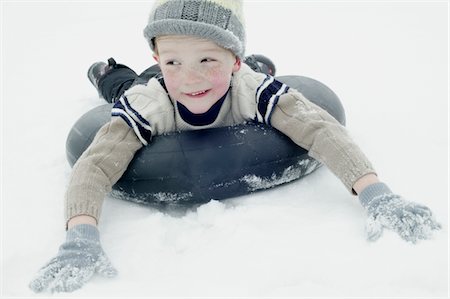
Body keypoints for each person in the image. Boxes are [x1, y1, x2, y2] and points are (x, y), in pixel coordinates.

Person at [29, 0, 441, 293]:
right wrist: (80, 235)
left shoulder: (250, 90)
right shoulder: (152, 101)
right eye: (172, 61)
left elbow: (318, 128)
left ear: (234, 61)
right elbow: (96, 163)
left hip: (244, 73)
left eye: (208, 60)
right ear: (158, 54)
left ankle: (253, 61)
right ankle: (108, 73)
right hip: (142, 87)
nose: (190, 79)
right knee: (126, 87)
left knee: (246, 76)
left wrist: (375, 193)